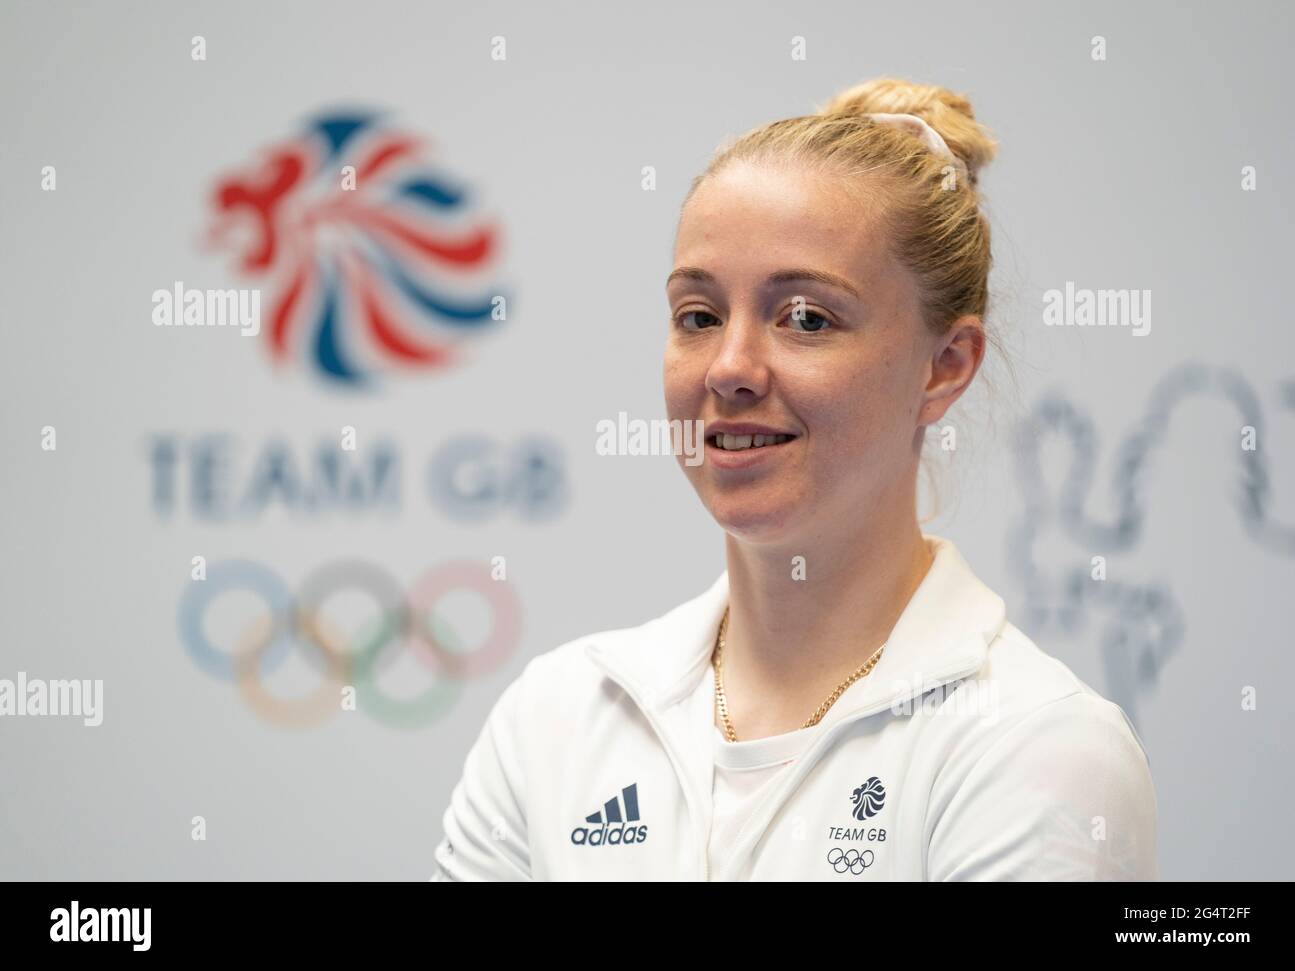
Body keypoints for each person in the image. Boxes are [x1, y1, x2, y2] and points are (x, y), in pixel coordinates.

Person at [431, 77, 1158, 881]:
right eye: (698, 316)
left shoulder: (1036, 745)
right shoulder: (560, 717)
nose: (732, 368)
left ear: (945, 366)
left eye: (806, 317)